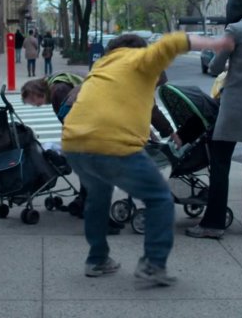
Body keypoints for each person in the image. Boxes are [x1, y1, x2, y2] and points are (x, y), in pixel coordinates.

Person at [61, 32, 232, 286]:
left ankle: (96, 260)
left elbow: (140, 107)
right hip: (112, 143)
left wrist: (166, 131)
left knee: (98, 198)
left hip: (74, 143)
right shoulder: (137, 59)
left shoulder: (102, 66)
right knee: (161, 199)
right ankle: (153, 265)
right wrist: (213, 43)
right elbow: (169, 44)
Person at [185, 0, 242, 240]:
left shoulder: (235, 30)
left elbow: (215, 67)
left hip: (235, 107)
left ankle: (213, 224)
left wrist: (230, 64)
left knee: (220, 163)